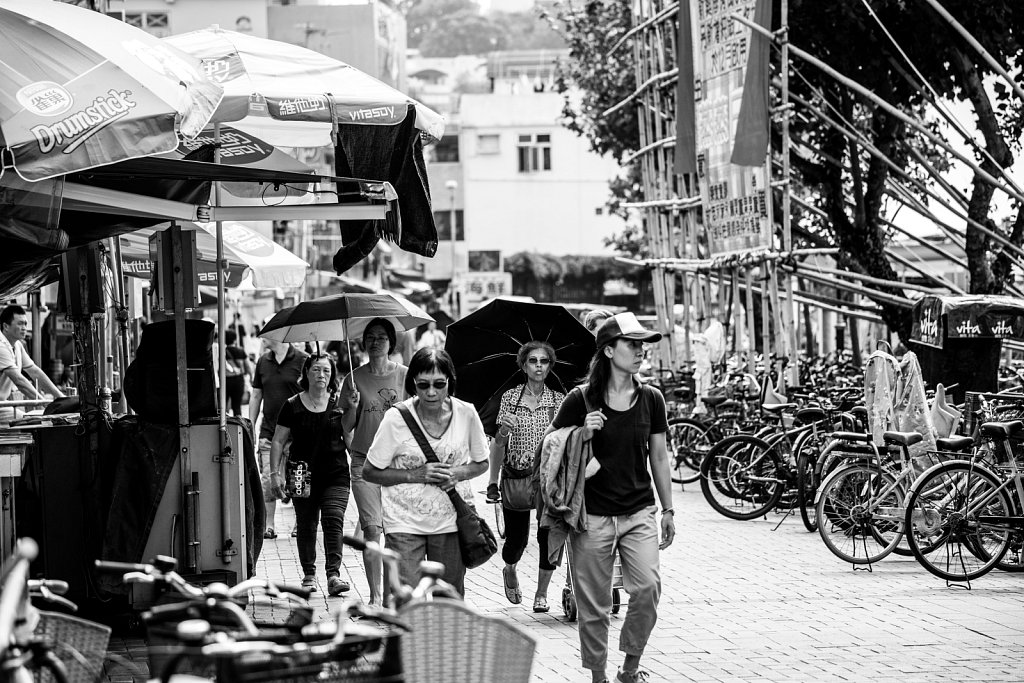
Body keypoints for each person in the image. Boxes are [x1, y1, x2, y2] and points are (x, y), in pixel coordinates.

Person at [549, 312, 676, 683]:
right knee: (594, 607)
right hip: (591, 517)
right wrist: (580, 433)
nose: (640, 352)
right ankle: (599, 677)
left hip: (639, 511)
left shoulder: (651, 398)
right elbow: (551, 450)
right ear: (607, 350)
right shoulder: (581, 398)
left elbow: (660, 457)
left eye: (642, 345)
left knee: (648, 589)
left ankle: (630, 667)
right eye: (631, 344)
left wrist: (668, 510)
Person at [364, 348, 489, 597]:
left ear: (450, 382)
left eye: (438, 384)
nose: (431, 392)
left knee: (449, 601)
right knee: (406, 599)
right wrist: (415, 474)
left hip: (450, 520)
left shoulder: (466, 413)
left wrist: (456, 473)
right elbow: (370, 471)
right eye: (423, 385)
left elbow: (482, 463)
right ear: (413, 384)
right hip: (403, 520)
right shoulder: (395, 418)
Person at [485, 341, 564, 613]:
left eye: (544, 361)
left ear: (550, 366)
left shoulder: (558, 400)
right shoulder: (510, 398)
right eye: (533, 361)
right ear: (523, 365)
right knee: (517, 540)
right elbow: (498, 444)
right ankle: (509, 568)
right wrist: (493, 481)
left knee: (548, 536)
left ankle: (541, 594)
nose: (539, 366)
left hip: (547, 480)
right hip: (516, 478)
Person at [268, 354, 352, 595]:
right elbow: (278, 441)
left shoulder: (339, 404)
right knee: (306, 524)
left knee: (333, 519)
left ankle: (333, 575)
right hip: (300, 473)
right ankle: (309, 574)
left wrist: (353, 408)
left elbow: (349, 438)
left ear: (332, 375)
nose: (321, 375)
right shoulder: (292, 405)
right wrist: (275, 474)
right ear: (306, 373)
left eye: (326, 370)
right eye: (316, 370)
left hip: (335, 473)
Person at [340, 318, 408, 606]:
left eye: (382, 337)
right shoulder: (352, 380)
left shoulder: (406, 376)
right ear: (363, 342)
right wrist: (352, 407)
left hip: (398, 465)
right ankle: (375, 595)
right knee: (372, 529)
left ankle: (392, 594)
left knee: (395, 530)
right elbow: (345, 429)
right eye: (370, 336)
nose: (375, 341)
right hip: (363, 462)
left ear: (391, 343)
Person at [250, 338, 308, 540]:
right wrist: (250, 424)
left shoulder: (303, 360)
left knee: (297, 480)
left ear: (280, 335)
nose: (262, 336)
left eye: (267, 332)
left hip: (297, 433)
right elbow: (256, 395)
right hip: (269, 431)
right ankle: (269, 525)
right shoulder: (263, 361)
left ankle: (299, 524)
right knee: (268, 478)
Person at [0, 306, 64, 420]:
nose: (24, 328)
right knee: (31, 421)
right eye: (20, 324)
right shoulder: (1, 345)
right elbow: (19, 380)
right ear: (5, 326)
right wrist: (42, 401)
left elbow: (35, 371)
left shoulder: (18, 345)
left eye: (25, 323)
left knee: (32, 419)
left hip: (2, 405)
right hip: (1, 406)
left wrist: (61, 397)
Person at [223, 329, 251, 417]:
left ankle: (224, 426)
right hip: (239, 380)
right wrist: (250, 376)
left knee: (224, 407)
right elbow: (248, 367)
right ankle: (238, 427)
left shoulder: (222, 352)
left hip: (226, 380)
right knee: (237, 406)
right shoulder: (241, 351)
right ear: (235, 340)